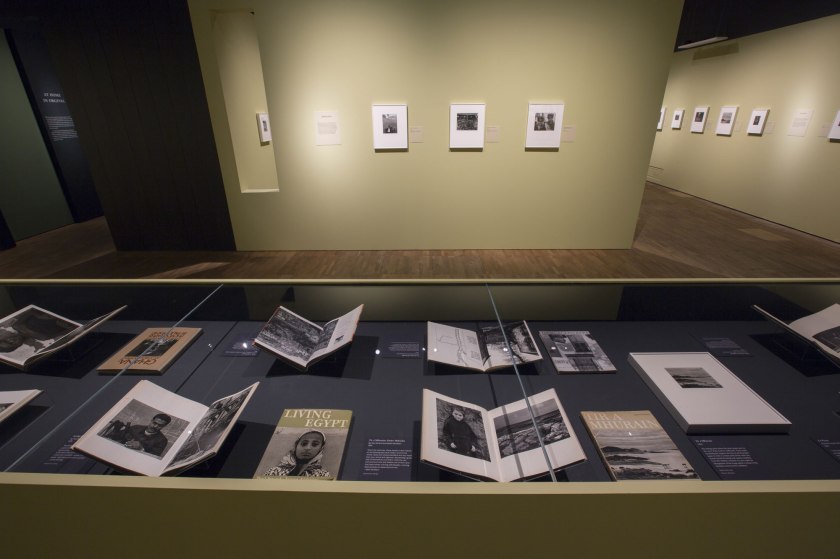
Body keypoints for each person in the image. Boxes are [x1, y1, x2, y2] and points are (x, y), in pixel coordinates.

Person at [263, 430, 331, 478]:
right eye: (304, 444)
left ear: (321, 449)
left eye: (315, 444)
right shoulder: (274, 472)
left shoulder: (322, 475)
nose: (308, 448)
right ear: (296, 446)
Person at [104, 413, 171, 457]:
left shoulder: (162, 440)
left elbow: (154, 457)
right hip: (115, 454)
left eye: (160, 425)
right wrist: (116, 429)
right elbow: (116, 437)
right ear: (151, 421)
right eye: (154, 423)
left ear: (164, 426)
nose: (155, 426)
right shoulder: (136, 427)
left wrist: (141, 448)